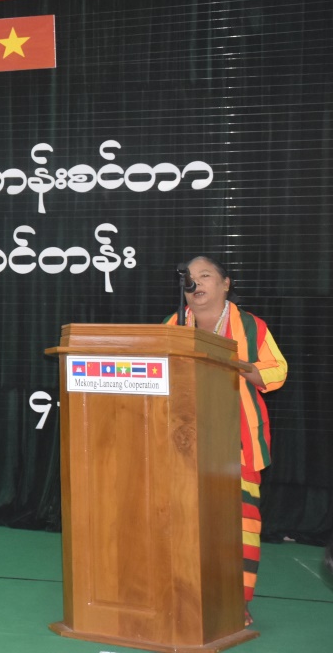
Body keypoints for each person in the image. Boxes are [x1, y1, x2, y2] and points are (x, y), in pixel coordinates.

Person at [166, 256, 287, 627]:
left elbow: (277, 371)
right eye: (190, 278)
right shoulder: (174, 324)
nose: (197, 283)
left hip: (238, 441)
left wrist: (238, 365)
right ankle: (184, 593)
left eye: (206, 276)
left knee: (240, 523)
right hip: (184, 439)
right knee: (185, 518)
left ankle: (238, 599)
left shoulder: (250, 326)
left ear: (225, 284)